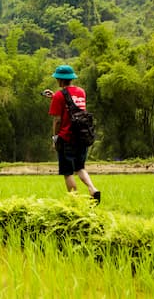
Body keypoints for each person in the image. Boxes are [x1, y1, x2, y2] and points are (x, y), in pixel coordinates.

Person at [45, 65, 101, 203]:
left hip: (67, 137)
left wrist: (55, 137)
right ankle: (92, 189)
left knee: (67, 172)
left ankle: (75, 202)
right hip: (81, 137)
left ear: (60, 80)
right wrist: (54, 97)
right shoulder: (81, 92)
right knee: (80, 167)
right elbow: (72, 105)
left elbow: (57, 120)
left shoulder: (59, 96)